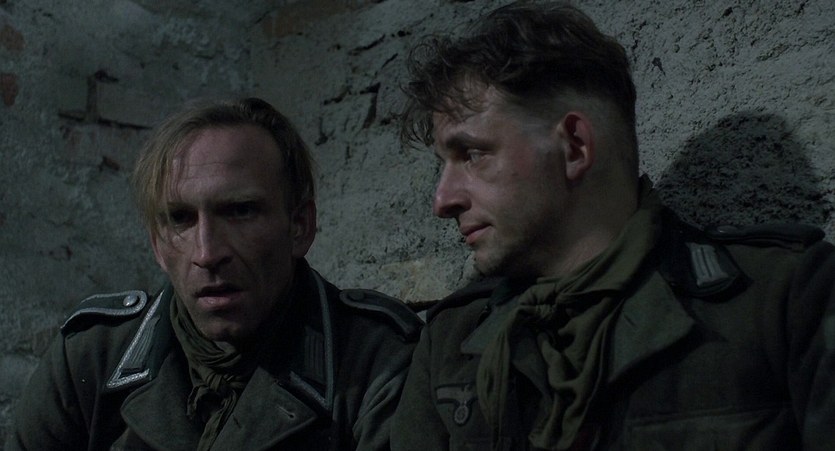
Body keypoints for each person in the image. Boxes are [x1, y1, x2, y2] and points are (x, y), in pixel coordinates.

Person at [391, 2, 835, 450]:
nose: (443, 201)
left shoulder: (780, 298)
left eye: (472, 154)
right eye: (444, 165)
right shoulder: (451, 340)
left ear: (574, 147)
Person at [7, 97, 421, 450]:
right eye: (180, 218)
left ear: (299, 226)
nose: (207, 253)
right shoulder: (95, 355)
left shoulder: (375, 358)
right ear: (157, 244)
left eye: (240, 211)